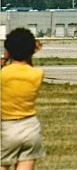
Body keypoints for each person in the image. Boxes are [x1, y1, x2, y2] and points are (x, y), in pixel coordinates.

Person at [1, 28, 45, 170]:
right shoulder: (37, 74)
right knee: (26, 163)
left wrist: (5, 57)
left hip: (9, 127)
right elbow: (29, 66)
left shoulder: (4, 74)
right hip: (31, 127)